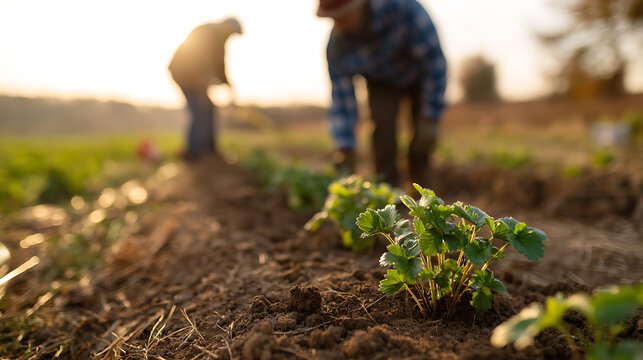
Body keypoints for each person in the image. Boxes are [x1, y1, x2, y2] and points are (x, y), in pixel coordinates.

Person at [317, 0, 447, 187]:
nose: (339, 26)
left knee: (422, 138)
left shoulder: (404, 9)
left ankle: (421, 188)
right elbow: (342, 100)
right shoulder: (338, 46)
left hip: (419, 74)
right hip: (381, 82)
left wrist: (431, 117)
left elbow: (434, 64)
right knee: (382, 130)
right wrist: (344, 147)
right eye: (334, 19)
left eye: (344, 17)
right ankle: (388, 191)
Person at [168, 18, 243, 160]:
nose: (230, 36)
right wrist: (199, 81)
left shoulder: (220, 41)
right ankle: (194, 152)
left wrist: (227, 84)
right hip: (183, 74)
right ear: (226, 26)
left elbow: (219, 65)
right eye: (231, 33)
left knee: (209, 109)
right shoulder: (205, 32)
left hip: (197, 78)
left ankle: (210, 150)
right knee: (198, 110)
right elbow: (194, 57)